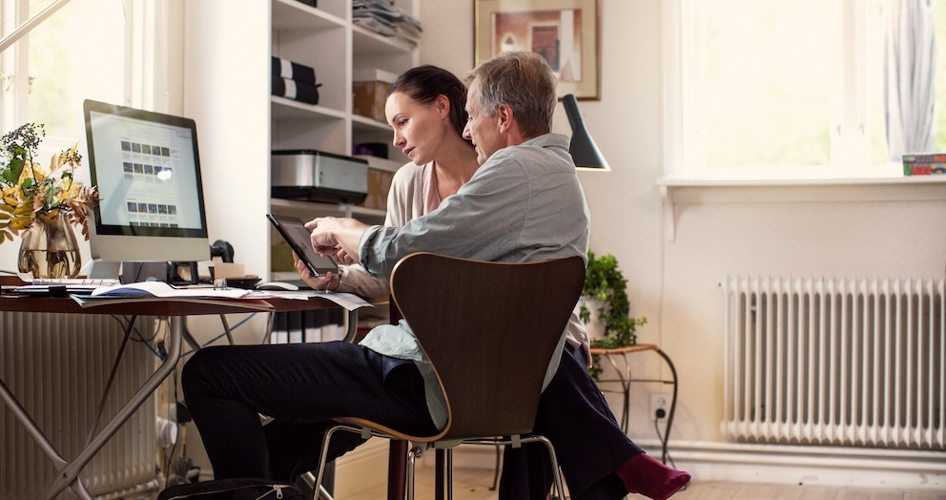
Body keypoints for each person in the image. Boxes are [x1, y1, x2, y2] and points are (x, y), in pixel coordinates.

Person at [181, 54, 688, 500]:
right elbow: (412, 267)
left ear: (501, 117)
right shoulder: (558, 178)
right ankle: (262, 489)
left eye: (473, 118)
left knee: (208, 373)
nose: (469, 130)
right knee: (302, 424)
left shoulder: (507, 174)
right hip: (478, 375)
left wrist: (347, 226)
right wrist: (342, 278)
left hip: (432, 376)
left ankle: (249, 492)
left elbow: (409, 246)